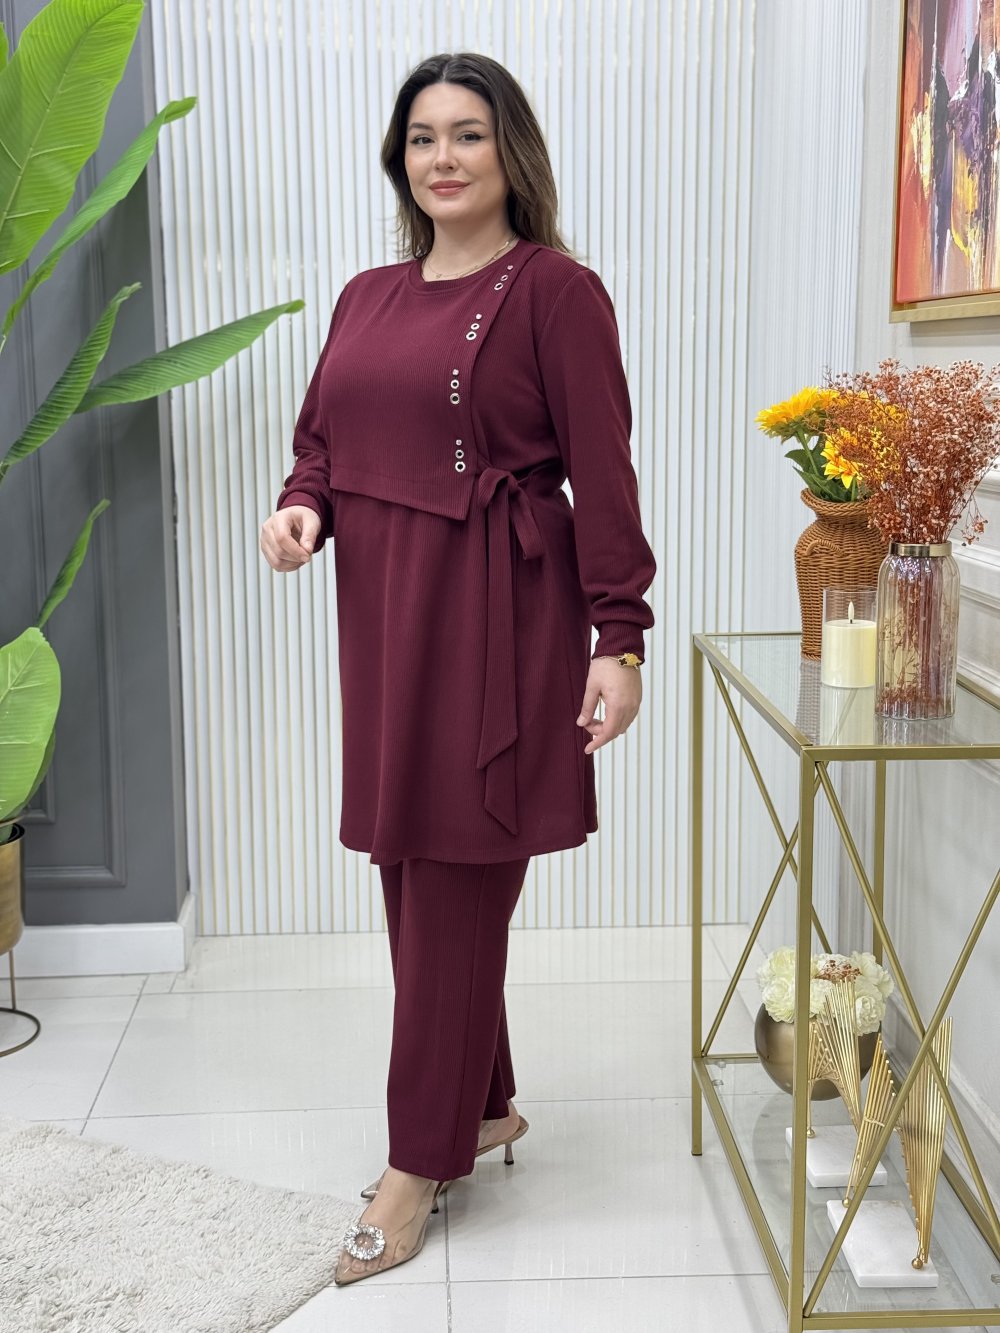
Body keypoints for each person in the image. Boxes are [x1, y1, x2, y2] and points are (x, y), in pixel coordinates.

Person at [259, 51, 656, 1287]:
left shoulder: (555, 293)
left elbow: (604, 471)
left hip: (500, 619)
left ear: (509, 151)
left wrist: (619, 634)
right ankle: (481, 1107)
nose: (443, 157)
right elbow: (323, 440)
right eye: (423, 137)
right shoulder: (365, 296)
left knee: (452, 873)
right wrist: (303, 507)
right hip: (386, 619)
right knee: (411, 863)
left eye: (468, 134)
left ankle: (413, 1163)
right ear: (402, 159)